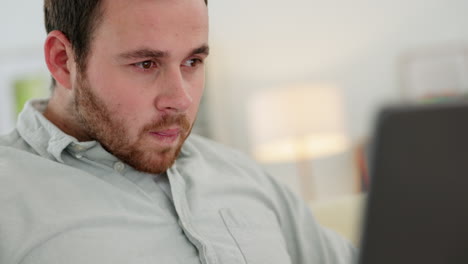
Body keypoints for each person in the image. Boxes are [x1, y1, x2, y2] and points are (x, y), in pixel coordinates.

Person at [0, 0, 356, 263]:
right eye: (145, 63)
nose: (181, 100)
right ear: (63, 60)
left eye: (192, 62)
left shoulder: (242, 175)